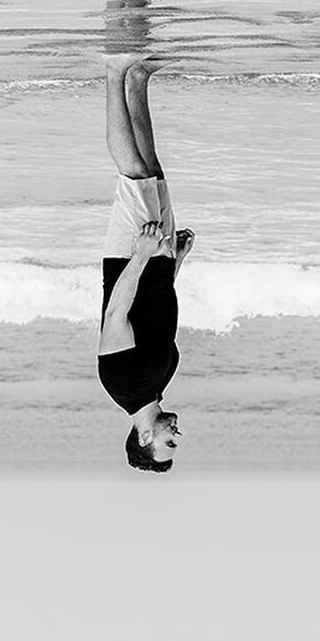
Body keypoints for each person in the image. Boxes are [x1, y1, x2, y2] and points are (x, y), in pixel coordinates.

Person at [98, 55, 194, 471]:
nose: (177, 437)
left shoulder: (121, 385)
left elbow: (117, 311)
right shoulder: (156, 385)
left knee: (133, 172)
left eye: (169, 444)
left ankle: (113, 72)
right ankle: (138, 78)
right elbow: (153, 314)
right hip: (158, 259)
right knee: (153, 171)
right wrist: (175, 265)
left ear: (145, 437)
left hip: (132, 254)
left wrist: (139, 254)